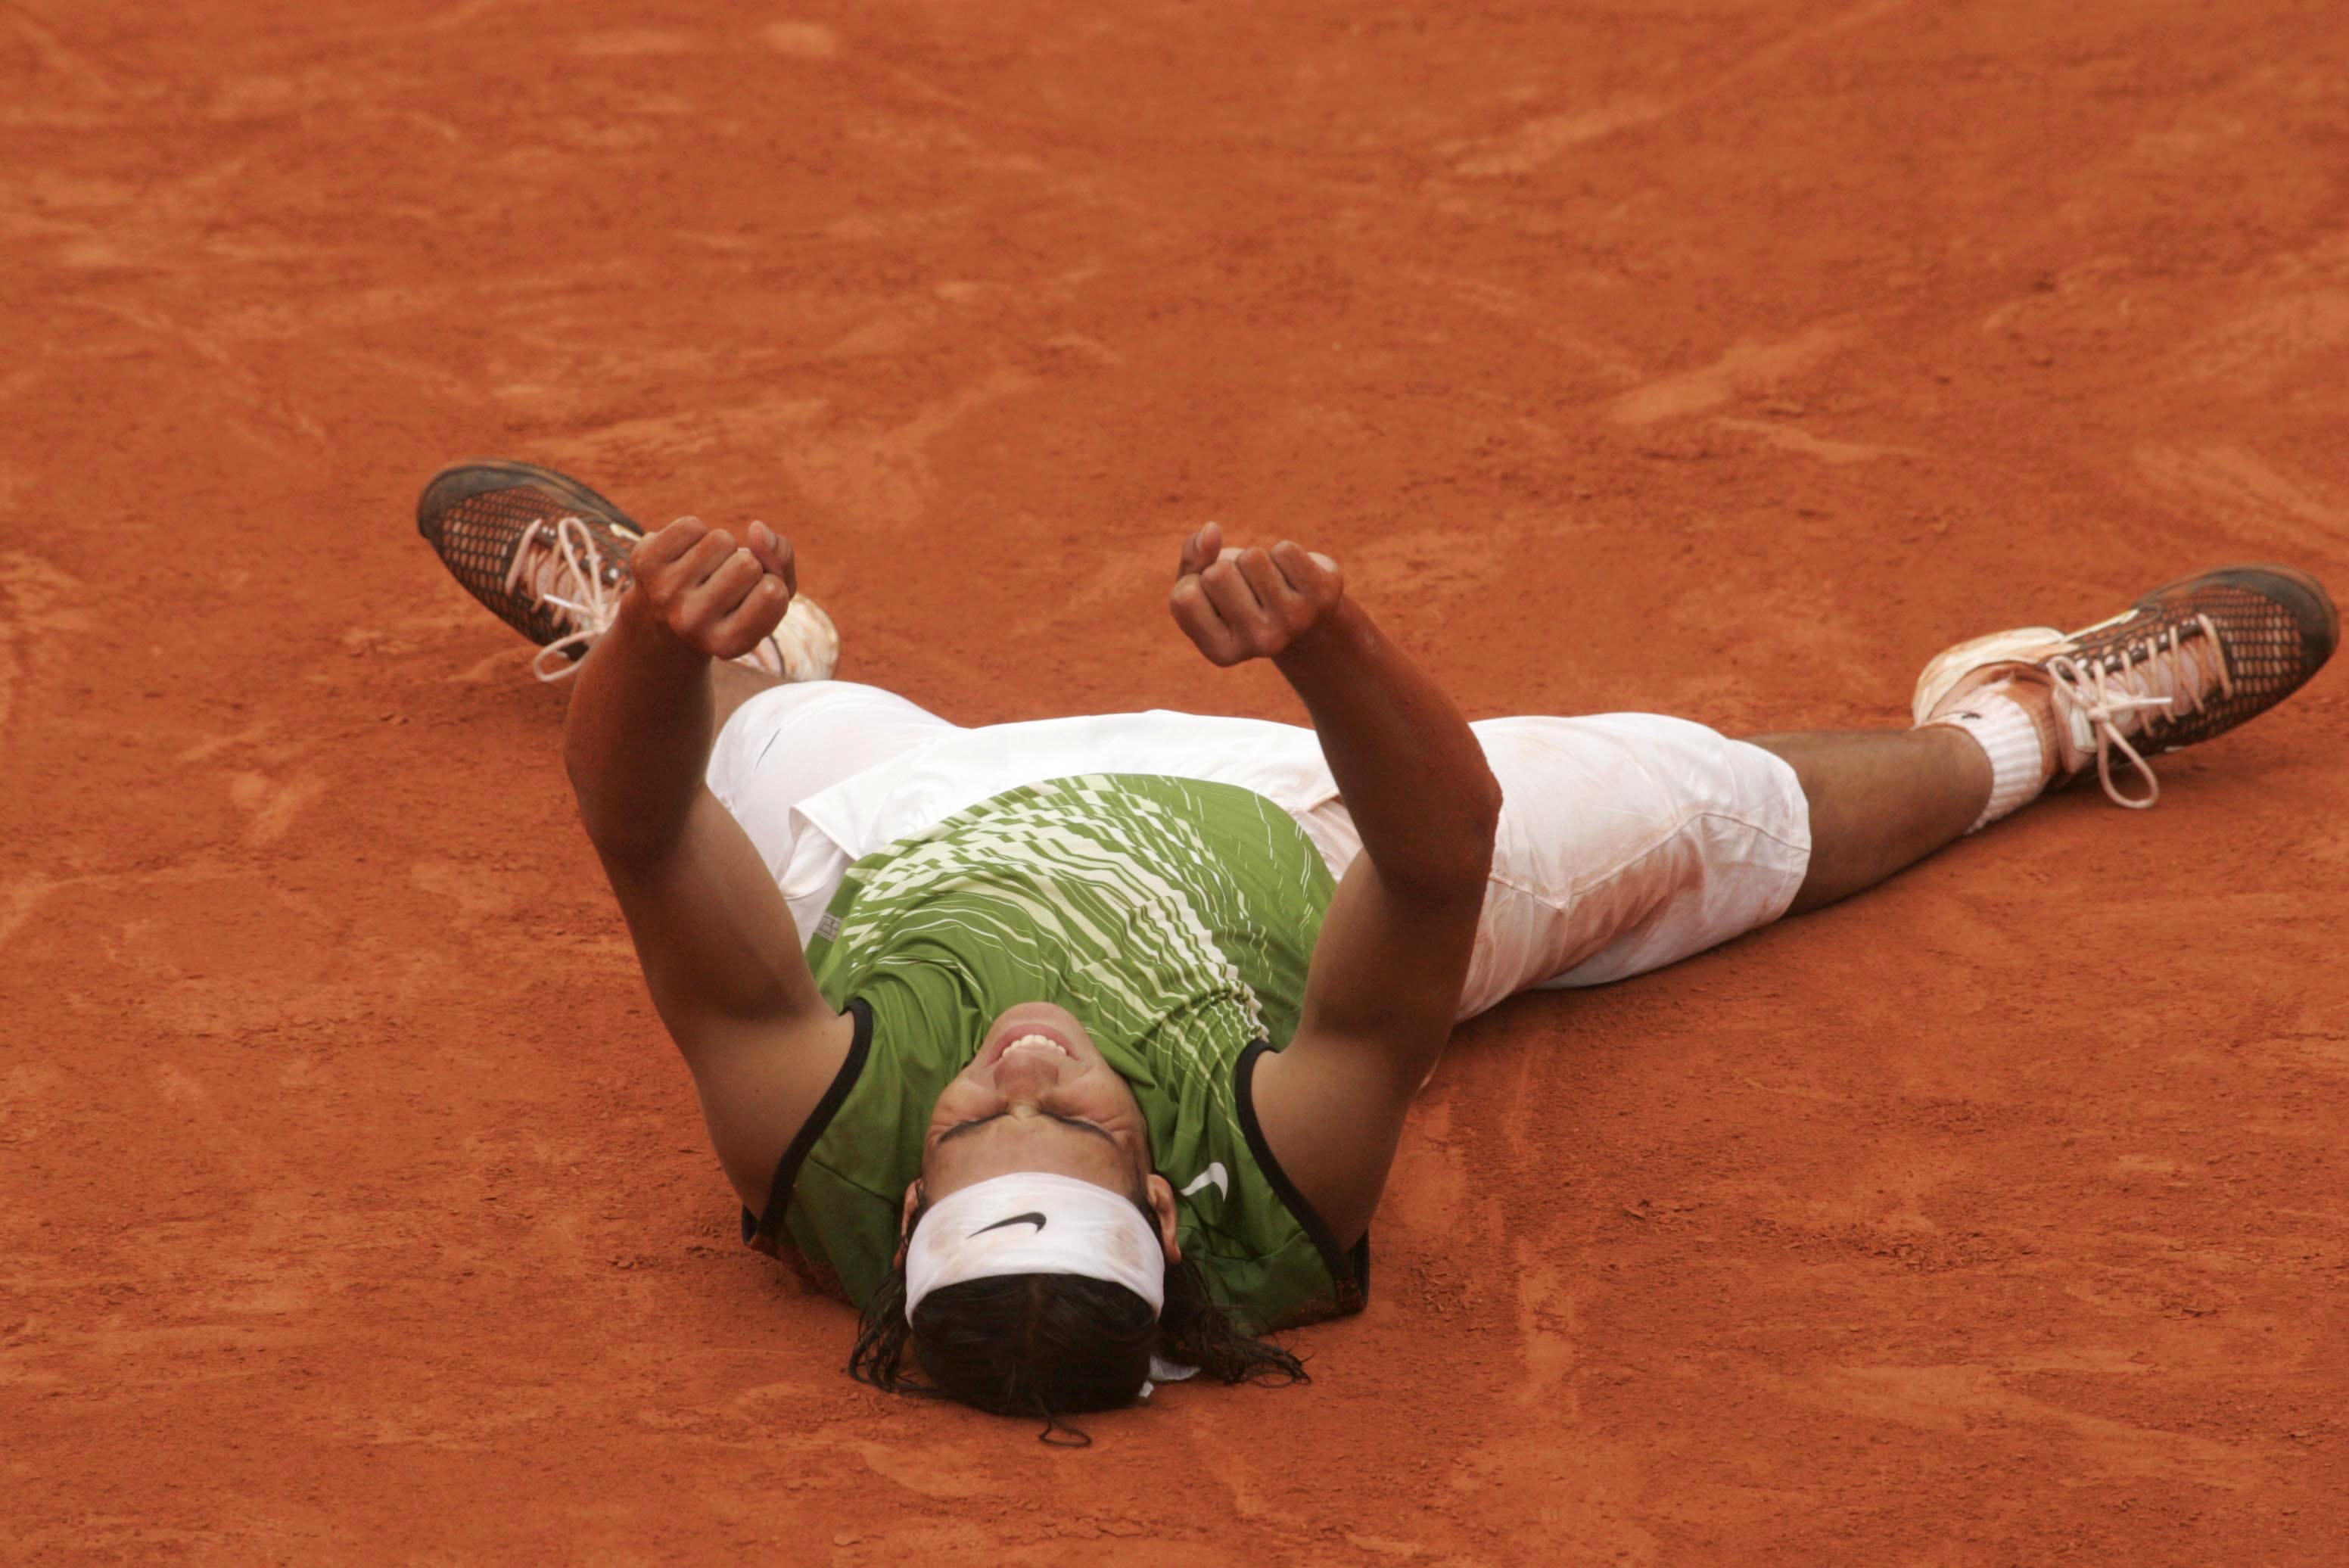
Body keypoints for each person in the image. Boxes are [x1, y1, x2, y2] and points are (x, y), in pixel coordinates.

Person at [418, 459, 2336, 1436]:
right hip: (1308, 836)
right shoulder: (1284, 1178)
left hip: (912, 823)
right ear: (1168, 1206)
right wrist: (1329, 653)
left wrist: (666, 667)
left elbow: (640, 822)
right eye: (1060, 1114)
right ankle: (2028, 727)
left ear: (900, 1205)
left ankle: (698, 626)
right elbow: (1442, 862)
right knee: (1706, 812)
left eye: (961, 1122)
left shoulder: (806, 1139)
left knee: (739, 744)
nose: (1011, 1061)